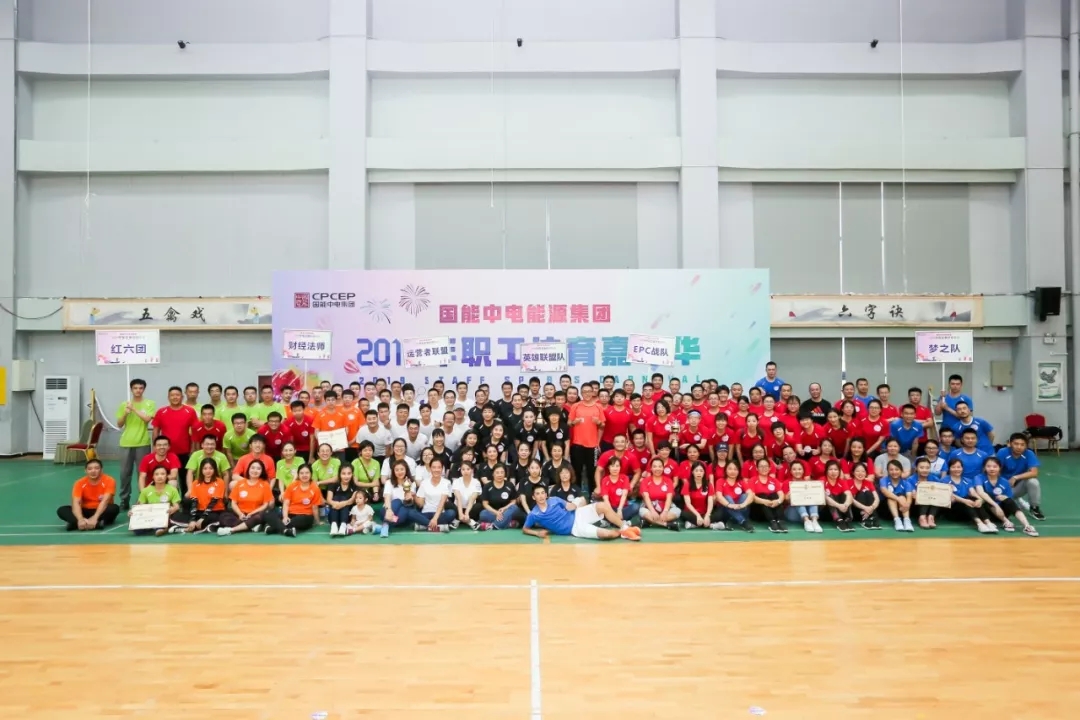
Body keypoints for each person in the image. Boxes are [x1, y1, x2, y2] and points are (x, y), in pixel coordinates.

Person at [521, 486, 640, 541]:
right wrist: (537, 533)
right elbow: (525, 529)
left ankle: (625, 527)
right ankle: (622, 533)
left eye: (543, 493)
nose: (541, 496)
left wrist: (577, 502)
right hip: (575, 528)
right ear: (533, 497)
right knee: (606, 534)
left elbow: (570, 507)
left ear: (546, 495)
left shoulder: (555, 500)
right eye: (538, 494)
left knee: (602, 505)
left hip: (577, 514)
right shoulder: (534, 514)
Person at [116, 378, 155, 510]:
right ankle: (124, 499)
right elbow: (119, 424)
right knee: (124, 473)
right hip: (126, 443)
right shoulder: (124, 404)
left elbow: (147, 419)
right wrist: (125, 414)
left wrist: (134, 409)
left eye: (140, 388)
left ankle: (143, 498)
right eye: (135, 388)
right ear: (131, 389)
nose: (138, 390)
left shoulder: (150, 403)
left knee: (142, 473)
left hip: (143, 442)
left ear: (144, 389)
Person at [975, 457, 1038, 536]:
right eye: (988, 466)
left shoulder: (1004, 481)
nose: (992, 469)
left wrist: (1005, 497)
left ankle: (1027, 526)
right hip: (987, 512)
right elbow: (980, 492)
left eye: (995, 466)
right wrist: (996, 505)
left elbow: (1009, 498)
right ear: (984, 468)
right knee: (986, 498)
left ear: (999, 468)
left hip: (1003, 511)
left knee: (1009, 501)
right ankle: (1006, 521)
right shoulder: (979, 478)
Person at [58, 459, 120, 531]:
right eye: (90, 469)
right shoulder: (79, 483)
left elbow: (105, 501)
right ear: (86, 471)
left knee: (114, 508)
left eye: (96, 468)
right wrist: (80, 519)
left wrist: (95, 517)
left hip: (101, 510)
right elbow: (76, 502)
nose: (93, 471)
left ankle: (77, 523)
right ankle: (94, 523)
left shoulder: (109, 480)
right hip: (84, 511)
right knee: (62, 510)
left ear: (101, 470)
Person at [217, 460, 274, 536]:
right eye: (252, 468)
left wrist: (251, 513)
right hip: (241, 514)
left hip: (255, 514)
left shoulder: (265, 484)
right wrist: (240, 514)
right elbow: (233, 503)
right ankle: (250, 526)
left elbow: (265, 505)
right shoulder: (240, 483)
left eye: (258, 469)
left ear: (262, 471)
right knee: (223, 516)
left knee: (260, 516)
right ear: (248, 469)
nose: (255, 470)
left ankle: (232, 529)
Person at [941, 457, 997, 534]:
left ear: (962, 468)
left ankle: (988, 522)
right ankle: (979, 524)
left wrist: (980, 499)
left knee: (975, 500)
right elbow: (950, 495)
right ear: (949, 468)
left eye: (959, 467)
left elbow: (973, 492)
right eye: (953, 467)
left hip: (967, 511)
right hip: (952, 510)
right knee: (967, 500)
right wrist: (964, 500)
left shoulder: (967, 480)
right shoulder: (944, 480)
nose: (956, 469)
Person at [265, 464, 323, 537]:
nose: (304, 475)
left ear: (311, 474)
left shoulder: (315, 488)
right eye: (301, 473)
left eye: (307, 473)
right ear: (298, 475)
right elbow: (286, 504)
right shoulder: (292, 486)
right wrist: (285, 517)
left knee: (300, 520)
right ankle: (286, 530)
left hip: (305, 516)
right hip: (291, 514)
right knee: (268, 515)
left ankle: (274, 528)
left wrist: (317, 521)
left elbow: (315, 508)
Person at [996, 433, 1045, 520]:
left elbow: (1034, 472)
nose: (1019, 447)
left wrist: (1015, 477)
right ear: (1010, 444)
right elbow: (996, 471)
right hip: (1003, 488)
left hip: (1017, 487)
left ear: (1026, 446)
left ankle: (1034, 508)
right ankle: (1016, 500)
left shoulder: (1029, 453)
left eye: (1022, 445)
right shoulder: (1002, 452)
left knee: (1033, 481)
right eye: (1016, 444)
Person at [152, 386, 198, 477]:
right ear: (168, 397)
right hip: (165, 452)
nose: (175, 397)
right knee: (167, 479)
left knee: (185, 478)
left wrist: (193, 449)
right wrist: (155, 448)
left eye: (177, 395)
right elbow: (156, 431)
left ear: (182, 397)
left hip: (185, 452)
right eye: (172, 395)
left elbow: (194, 432)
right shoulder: (161, 412)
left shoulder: (190, 411)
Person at [172, 458, 227, 534]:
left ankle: (186, 528)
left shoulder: (220, 482)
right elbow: (194, 502)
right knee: (176, 516)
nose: (208, 471)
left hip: (214, 511)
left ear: (215, 469)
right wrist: (192, 519)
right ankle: (196, 526)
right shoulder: (196, 483)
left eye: (211, 468)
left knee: (217, 519)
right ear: (201, 470)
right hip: (199, 511)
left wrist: (202, 518)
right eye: (205, 468)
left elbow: (213, 502)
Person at [401, 457, 454, 532]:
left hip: (440, 514)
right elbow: (421, 504)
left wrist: (435, 518)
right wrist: (414, 496)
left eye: (439, 467)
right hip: (426, 513)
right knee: (411, 513)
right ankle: (436, 528)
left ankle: (424, 526)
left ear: (442, 469)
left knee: (451, 513)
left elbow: (442, 502)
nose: (436, 470)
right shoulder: (424, 482)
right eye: (434, 467)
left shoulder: (447, 483)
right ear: (430, 468)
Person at [567, 384, 603, 491]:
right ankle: (577, 494)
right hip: (577, 444)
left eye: (589, 391)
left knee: (592, 472)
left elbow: (603, 425)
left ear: (593, 393)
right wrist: (574, 422)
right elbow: (569, 423)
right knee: (576, 471)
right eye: (584, 391)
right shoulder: (576, 406)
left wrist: (599, 422)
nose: (587, 394)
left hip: (592, 445)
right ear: (581, 393)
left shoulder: (598, 406)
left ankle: (592, 495)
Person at [132, 466, 182, 536]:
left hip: (166, 515)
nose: (159, 476)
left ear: (167, 476)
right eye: (157, 474)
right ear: (153, 477)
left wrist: (173, 509)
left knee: (175, 516)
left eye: (162, 474)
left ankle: (162, 528)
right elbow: (140, 506)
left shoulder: (172, 489)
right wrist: (133, 512)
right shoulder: (146, 490)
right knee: (137, 531)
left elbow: (177, 506)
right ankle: (158, 527)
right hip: (151, 515)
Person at [639, 457, 682, 531]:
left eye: (660, 466)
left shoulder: (668, 481)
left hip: (665, 506)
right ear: (651, 468)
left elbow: (669, 498)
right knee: (642, 511)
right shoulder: (645, 481)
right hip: (650, 507)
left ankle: (649, 522)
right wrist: (652, 511)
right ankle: (667, 524)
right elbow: (646, 497)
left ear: (663, 468)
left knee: (677, 511)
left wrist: (665, 511)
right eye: (655, 466)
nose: (657, 469)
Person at [378, 460, 416, 537]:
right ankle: (386, 524)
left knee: (404, 509)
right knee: (397, 501)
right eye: (397, 470)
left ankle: (383, 526)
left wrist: (408, 490)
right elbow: (387, 498)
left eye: (402, 469)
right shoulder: (389, 482)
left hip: (401, 512)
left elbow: (409, 501)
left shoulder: (412, 483)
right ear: (393, 472)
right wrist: (389, 510)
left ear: (406, 470)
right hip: (388, 510)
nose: (399, 472)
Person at [681, 462, 724, 530]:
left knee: (720, 513)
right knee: (682, 513)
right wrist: (697, 515)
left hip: (704, 513)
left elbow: (710, 502)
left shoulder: (708, 485)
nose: (699, 473)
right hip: (692, 513)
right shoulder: (687, 484)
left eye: (701, 471)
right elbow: (688, 504)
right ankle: (711, 525)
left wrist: (707, 515)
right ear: (692, 472)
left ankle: (695, 524)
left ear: (704, 473)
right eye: (696, 471)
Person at [750, 457, 787, 533]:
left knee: (774, 495)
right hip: (758, 512)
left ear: (770, 468)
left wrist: (778, 501)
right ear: (757, 468)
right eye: (761, 466)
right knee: (762, 495)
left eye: (766, 466)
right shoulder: (752, 480)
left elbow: (781, 494)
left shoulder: (774, 480)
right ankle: (772, 522)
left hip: (772, 508)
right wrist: (764, 501)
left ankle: (780, 521)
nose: (764, 468)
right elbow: (752, 497)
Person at [784, 459, 823, 533]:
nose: (797, 471)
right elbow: (785, 501)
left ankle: (815, 521)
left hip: (808, 512)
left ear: (803, 471)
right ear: (790, 471)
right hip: (792, 512)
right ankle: (806, 521)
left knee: (813, 498)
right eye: (794, 469)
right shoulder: (786, 483)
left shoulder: (808, 483)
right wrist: (789, 496)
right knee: (798, 498)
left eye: (799, 469)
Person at [597, 455, 638, 524]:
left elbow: (624, 495)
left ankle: (613, 521)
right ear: (609, 467)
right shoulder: (605, 480)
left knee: (635, 507)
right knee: (599, 507)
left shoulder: (625, 478)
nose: (615, 469)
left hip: (622, 508)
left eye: (617, 466)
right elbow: (605, 499)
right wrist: (611, 513)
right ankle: (619, 521)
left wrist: (619, 510)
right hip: (610, 508)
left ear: (620, 467)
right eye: (612, 466)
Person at [478, 465, 522, 530]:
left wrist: (504, 508)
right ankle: (508, 523)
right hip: (493, 512)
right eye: (497, 472)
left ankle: (494, 526)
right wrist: (496, 512)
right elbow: (485, 504)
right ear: (493, 474)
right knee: (483, 514)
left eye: (502, 472)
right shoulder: (487, 486)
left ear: (505, 474)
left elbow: (513, 502)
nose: (500, 475)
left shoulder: (509, 485)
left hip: (507, 511)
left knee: (514, 507)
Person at [879, 459, 915, 532]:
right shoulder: (884, 480)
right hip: (886, 510)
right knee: (892, 497)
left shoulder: (906, 483)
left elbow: (909, 496)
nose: (894, 472)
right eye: (891, 470)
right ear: (888, 471)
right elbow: (884, 491)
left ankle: (907, 521)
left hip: (902, 509)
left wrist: (907, 505)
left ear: (901, 470)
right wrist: (898, 499)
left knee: (902, 497)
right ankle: (897, 521)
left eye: (897, 469)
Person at [821, 460, 854, 532]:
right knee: (828, 495)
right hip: (826, 511)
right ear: (826, 471)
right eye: (830, 469)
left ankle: (848, 519)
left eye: (836, 469)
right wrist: (838, 506)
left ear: (839, 471)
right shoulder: (822, 480)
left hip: (841, 509)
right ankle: (839, 520)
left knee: (846, 495)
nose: (833, 472)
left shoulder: (842, 481)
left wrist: (846, 504)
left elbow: (849, 494)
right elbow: (825, 498)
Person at [325, 467, 357, 537]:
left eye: (349, 473)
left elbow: (351, 501)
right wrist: (336, 503)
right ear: (339, 474)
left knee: (342, 498)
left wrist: (340, 504)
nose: (346, 476)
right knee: (336, 497)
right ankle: (334, 526)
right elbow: (329, 500)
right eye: (343, 473)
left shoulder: (355, 486)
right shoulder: (332, 485)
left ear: (352, 474)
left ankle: (343, 526)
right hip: (332, 516)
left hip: (348, 517)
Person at [848, 462, 880, 529]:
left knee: (868, 493)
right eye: (857, 471)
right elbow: (851, 500)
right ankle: (864, 518)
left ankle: (872, 517)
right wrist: (865, 508)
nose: (860, 473)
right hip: (855, 510)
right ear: (853, 472)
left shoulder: (869, 483)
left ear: (866, 473)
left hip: (869, 510)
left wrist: (871, 508)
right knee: (861, 493)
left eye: (863, 471)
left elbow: (877, 498)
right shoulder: (848, 482)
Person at [452, 461, 483, 529]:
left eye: (468, 469)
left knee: (479, 506)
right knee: (448, 504)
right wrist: (460, 513)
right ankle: (469, 521)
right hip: (458, 508)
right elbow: (458, 499)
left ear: (472, 470)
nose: (465, 471)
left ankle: (459, 519)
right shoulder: (456, 481)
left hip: (470, 509)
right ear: (460, 470)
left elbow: (472, 499)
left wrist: (466, 513)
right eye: (463, 469)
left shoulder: (476, 482)